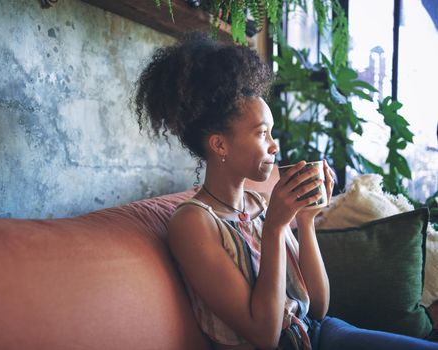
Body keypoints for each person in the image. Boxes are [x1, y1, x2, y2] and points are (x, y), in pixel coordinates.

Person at [132, 31, 438, 350]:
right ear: (219, 144)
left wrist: (305, 220)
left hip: (319, 333)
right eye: (262, 133)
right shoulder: (194, 223)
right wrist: (276, 228)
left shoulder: (258, 203)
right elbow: (265, 335)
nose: (275, 145)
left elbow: (319, 307)